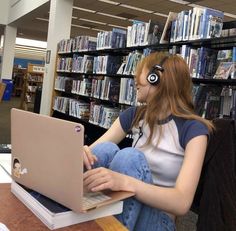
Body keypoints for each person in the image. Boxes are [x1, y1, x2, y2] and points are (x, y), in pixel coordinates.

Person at [83, 52, 214, 231]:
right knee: (104, 149)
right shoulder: (135, 115)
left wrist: (126, 183)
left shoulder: (193, 129)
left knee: (129, 157)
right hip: (124, 205)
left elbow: (182, 202)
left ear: (156, 78)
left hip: (159, 220)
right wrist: (82, 152)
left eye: (141, 73)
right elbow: (94, 152)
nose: (135, 79)